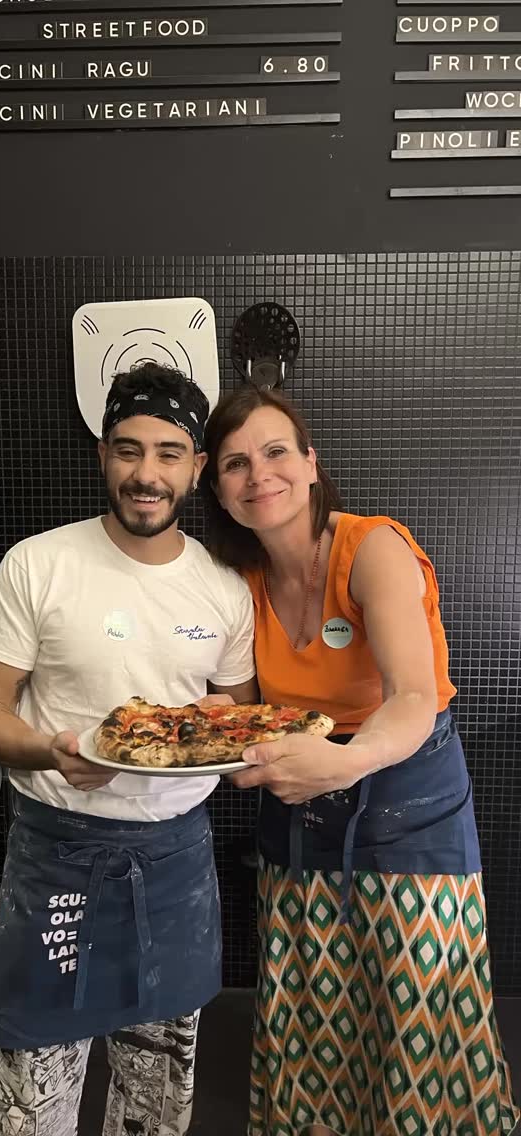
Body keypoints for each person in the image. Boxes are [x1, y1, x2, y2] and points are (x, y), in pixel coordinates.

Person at [202, 384, 519, 1136]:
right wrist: (186, 730)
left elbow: (413, 698)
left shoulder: (374, 546)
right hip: (301, 832)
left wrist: (346, 762)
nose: (260, 475)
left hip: (410, 818)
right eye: (236, 463)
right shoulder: (239, 583)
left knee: (419, 1017)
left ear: (311, 464)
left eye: (277, 452)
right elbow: (242, 710)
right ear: (218, 488)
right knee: (318, 1020)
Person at [0, 363, 258, 1136]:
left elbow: (236, 713)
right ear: (102, 455)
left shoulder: (224, 589)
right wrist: (48, 751)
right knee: (30, 1106)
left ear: (196, 468)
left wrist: (218, 725)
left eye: (168, 453)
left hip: (174, 867)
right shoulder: (39, 563)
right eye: (128, 450)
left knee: (157, 1108)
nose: (146, 474)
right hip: (58, 854)